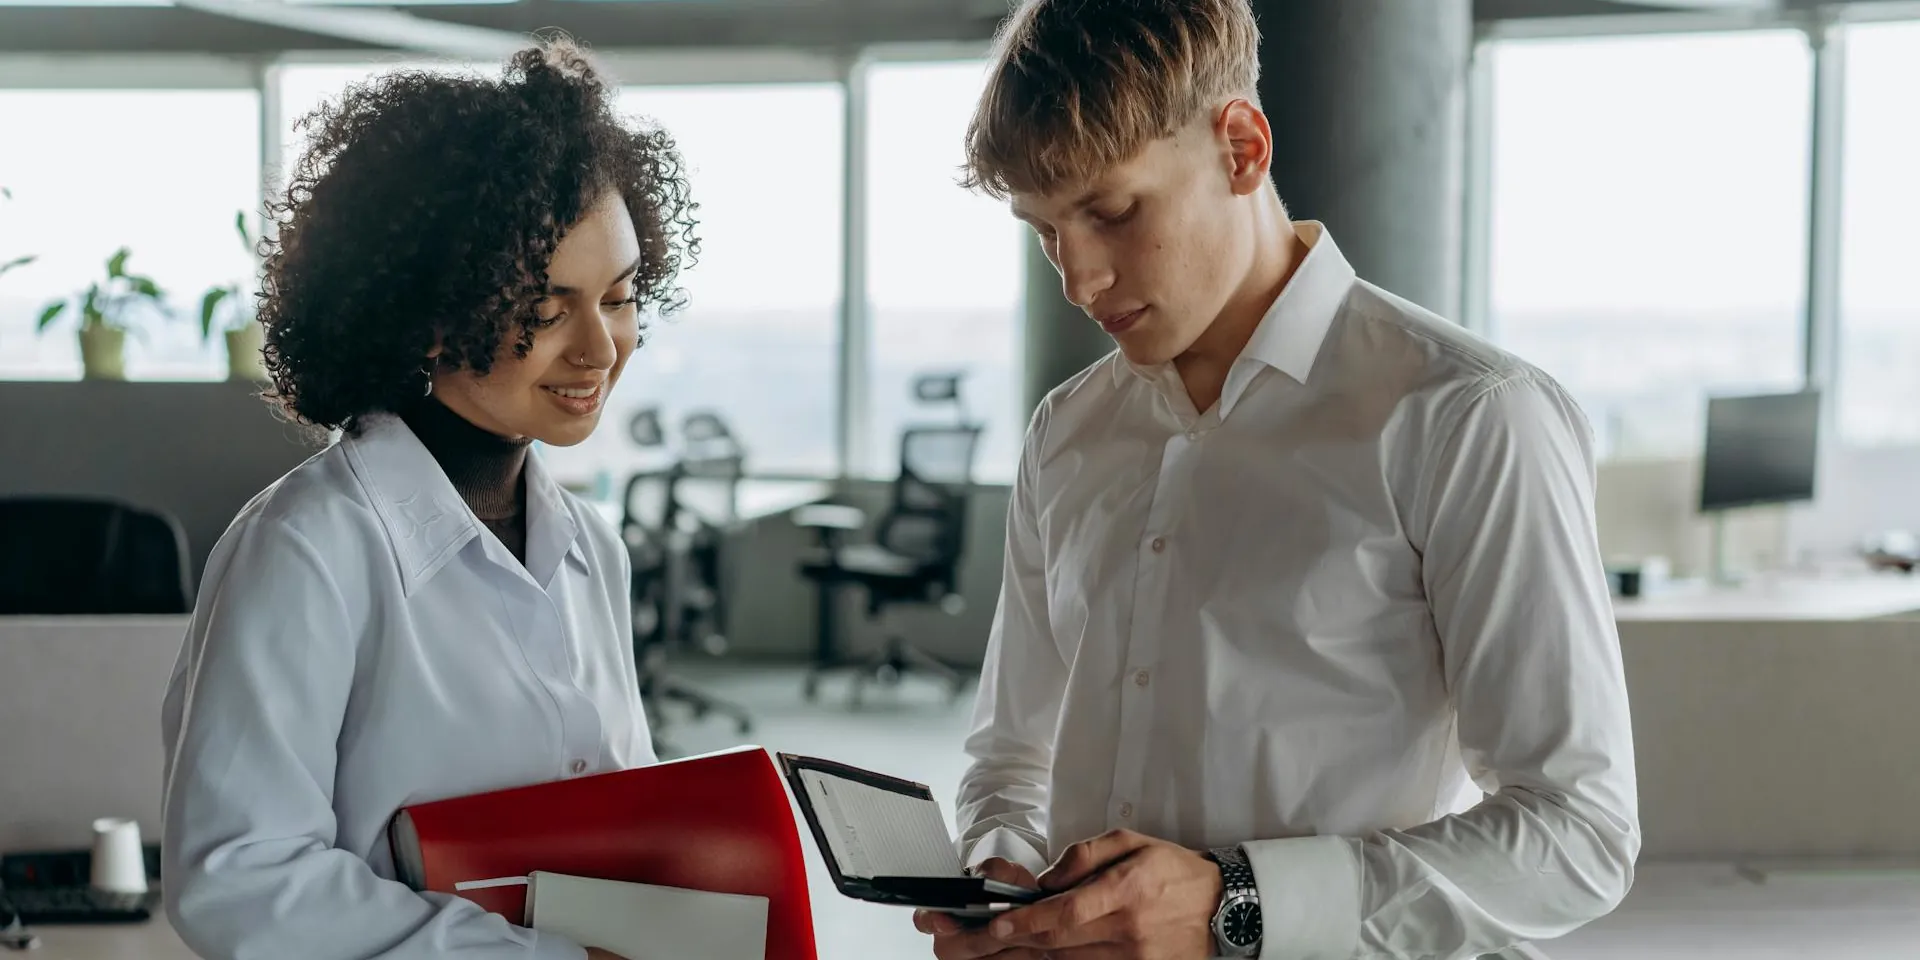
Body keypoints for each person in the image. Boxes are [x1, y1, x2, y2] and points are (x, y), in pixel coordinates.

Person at [915, 2, 1639, 959]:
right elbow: (1011, 757)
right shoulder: (1066, 434)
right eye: (1046, 231)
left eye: (1113, 211)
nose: (1079, 281)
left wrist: (1236, 906)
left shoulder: (1469, 416)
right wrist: (1004, 877)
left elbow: (1578, 834)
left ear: (1242, 148)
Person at [160, 40, 696, 960]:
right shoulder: (307, 547)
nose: (600, 347)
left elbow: (612, 812)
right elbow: (241, 881)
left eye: (619, 295)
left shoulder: (587, 546)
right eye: (547, 304)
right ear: (426, 310)